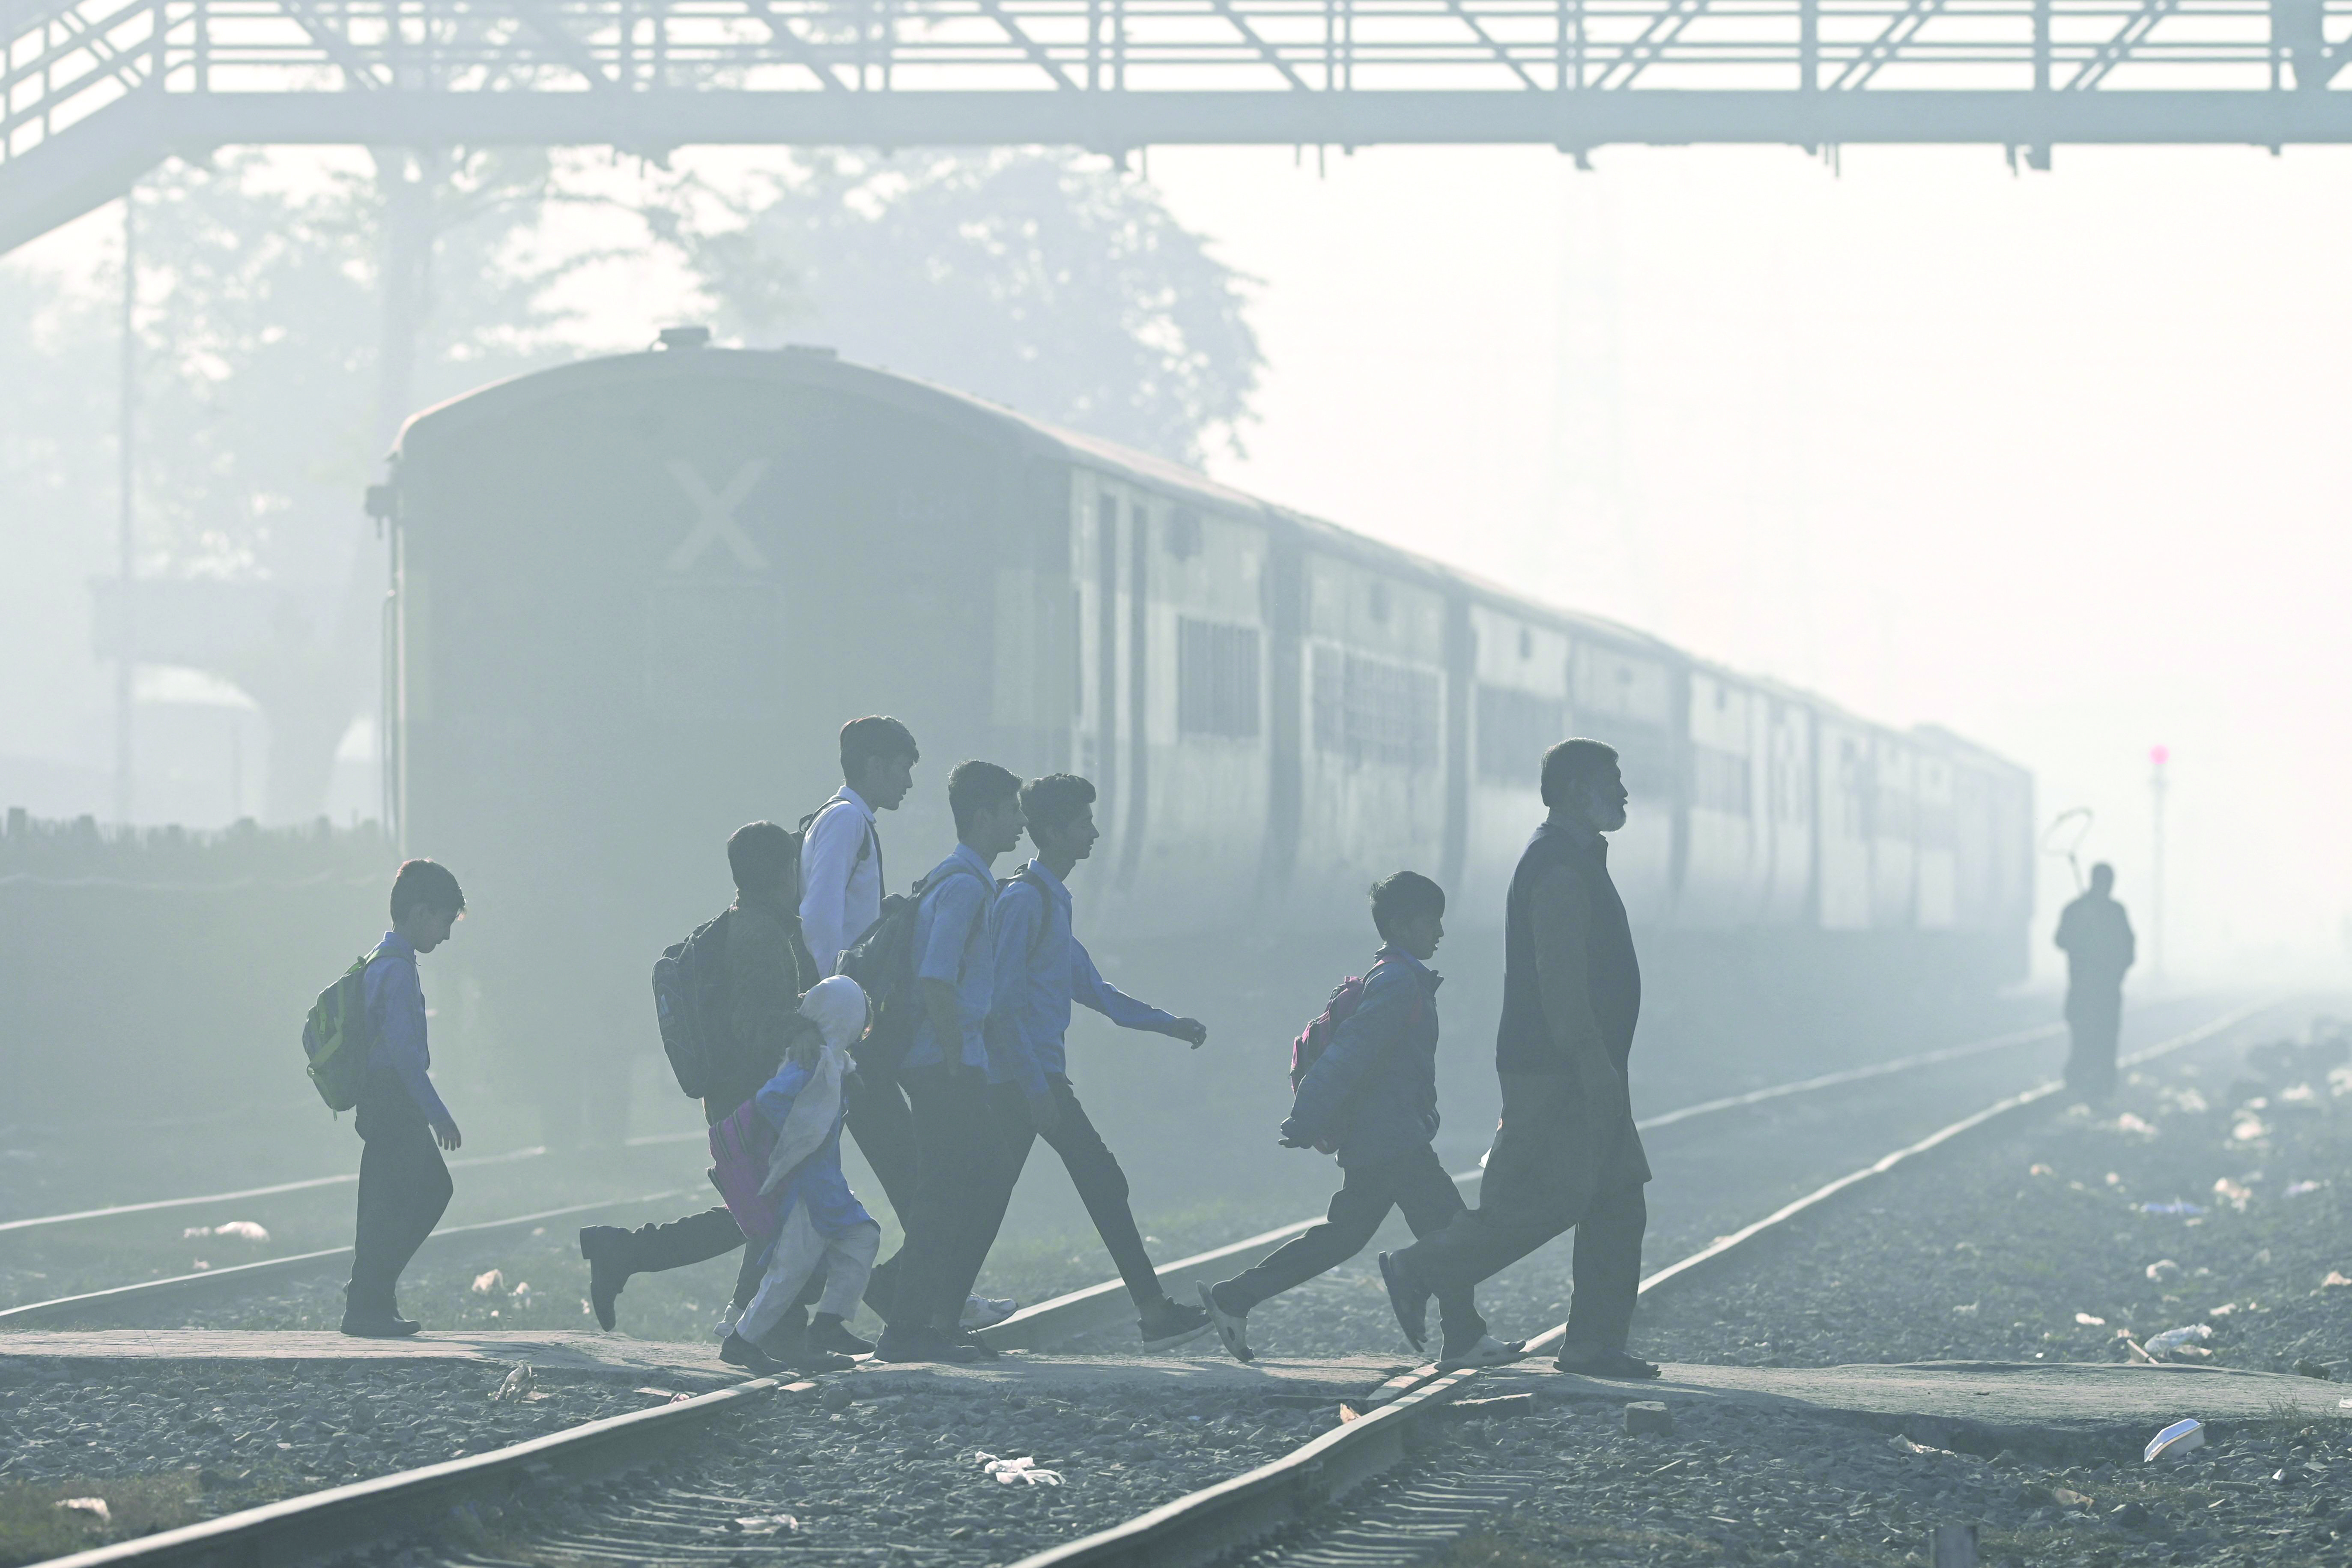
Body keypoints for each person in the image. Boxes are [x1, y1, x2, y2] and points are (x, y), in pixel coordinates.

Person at [1376, 740, 1658, 1380]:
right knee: (1547, 1200)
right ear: (1576, 788)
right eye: (1612, 780)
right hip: (1560, 1066)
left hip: (1579, 1062)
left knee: (1617, 1198)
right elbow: (1560, 978)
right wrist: (1589, 1057)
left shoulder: (1575, 859)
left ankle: (1592, 1343)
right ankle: (1419, 1268)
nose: (1623, 792)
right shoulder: (1558, 867)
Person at [1199, 872, 1523, 1373]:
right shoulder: (1395, 982)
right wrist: (1306, 1116)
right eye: (1430, 922)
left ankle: (1237, 1296)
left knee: (1351, 1235)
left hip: (1391, 1134)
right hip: (1389, 1139)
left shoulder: (1398, 977)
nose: (1439, 932)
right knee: (1454, 1230)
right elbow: (1350, 1053)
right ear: (1401, 924)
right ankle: (1461, 1333)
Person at [967, 774, 1215, 1353]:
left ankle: (917, 1301)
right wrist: (1035, 1087)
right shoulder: (1025, 901)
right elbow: (1001, 1008)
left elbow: (1093, 989)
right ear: (1053, 832)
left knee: (988, 1195)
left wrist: (1168, 1024)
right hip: (1023, 1077)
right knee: (1096, 1180)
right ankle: (1153, 1312)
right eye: (1082, 823)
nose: (1095, 832)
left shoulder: (1050, 899)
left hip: (1031, 1076)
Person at [578, 821, 823, 1364]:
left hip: (741, 1096)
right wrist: (803, 1028)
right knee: (778, 1211)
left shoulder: (751, 922)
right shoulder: (760, 934)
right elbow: (753, 1024)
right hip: (752, 1098)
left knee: (760, 1212)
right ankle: (763, 1331)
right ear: (785, 873)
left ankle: (626, 1253)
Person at [873, 760, 1025, 1365]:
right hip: (944, 1062)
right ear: (983, 817)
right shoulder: (963, 885)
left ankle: (922, 1315)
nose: (1020, 822)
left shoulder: (960, 878)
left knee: (964, 1183)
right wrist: (959, 1060)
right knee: (961, 1185)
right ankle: (912, 1325)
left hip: (945, 1059)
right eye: (1012, 811)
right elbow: (937, 976)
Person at [722, 977, 883, 1375]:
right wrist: (800, 1136)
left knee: (863, 1236)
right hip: (808, 1186)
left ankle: (828, 1325)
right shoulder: (810, 1062)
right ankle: (741, 1341)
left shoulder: (834, 1062)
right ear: (845, 1020)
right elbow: (771, 1098)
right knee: (788, 1273)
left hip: (827, 1184)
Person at [343, 858, 466, 1338]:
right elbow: (404, 1057)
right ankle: (368, 1297)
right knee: (429, 1191)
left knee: (385, 1200)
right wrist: (438, 1115)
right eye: (444, 922)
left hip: (382, 1100)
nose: (447, 936)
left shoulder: (383, 960)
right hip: (394, 1099)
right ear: (420, 914)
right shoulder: (395, 972)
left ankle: (372, 1301)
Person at [2055, 862, 2136, 1103]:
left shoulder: (2077, 909)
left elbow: (2061, 940)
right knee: (2102, 1039)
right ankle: (2098, 1086)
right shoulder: (2112, 912)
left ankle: (2085, 1084)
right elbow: (2129, 951)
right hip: (2102, 990)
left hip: (2085, 989)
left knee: (2086, 1037)